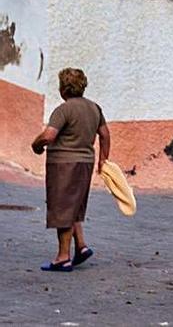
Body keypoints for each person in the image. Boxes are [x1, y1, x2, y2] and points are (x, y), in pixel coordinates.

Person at [30, 68, 110, 272]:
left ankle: (62, 257)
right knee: (74, 204)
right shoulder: (95, 108)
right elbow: (105, 135)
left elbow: (49, 135)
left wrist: (36, 144)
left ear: (63, 89)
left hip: (63, 164)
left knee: (63, 208)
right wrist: (103, 161)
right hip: (86, 162)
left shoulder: (63, 110)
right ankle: (81, 247)